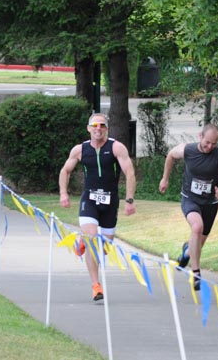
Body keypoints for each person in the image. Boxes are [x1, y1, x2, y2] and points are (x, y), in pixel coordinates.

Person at [59, 113, 136, 302]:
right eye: (94, 125)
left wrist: (129, 200)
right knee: (92, 240)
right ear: (88, 128)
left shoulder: (116, 147)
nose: (98, 128)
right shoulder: (80, 150)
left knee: (104, 248)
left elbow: (129, 172)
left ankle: (83, 241)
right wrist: (63, 193)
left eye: (102, 125)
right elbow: (65, 171)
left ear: (106, 129)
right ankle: (96, 285)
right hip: (90, 200)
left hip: (111, 201)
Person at [158, 123, 218, 291]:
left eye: (214, 143)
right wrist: (165, 178)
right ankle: (196, 274)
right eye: (207, 142)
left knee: (198, 243)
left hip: (210, 204)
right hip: (190, 199)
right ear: (200, 136)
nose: (210, 147)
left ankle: (186, 253)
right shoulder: (188, 150)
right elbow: (170, 156)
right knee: (197, 227)